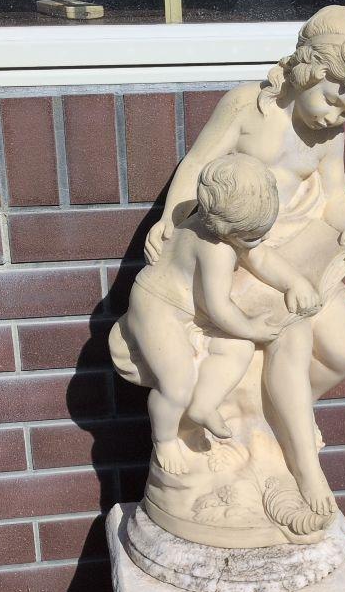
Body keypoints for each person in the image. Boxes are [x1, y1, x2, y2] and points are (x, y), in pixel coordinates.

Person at [143, 5, 345, 514]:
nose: (335, 118)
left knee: (343, 353)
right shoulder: (246, 108)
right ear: (308, 70)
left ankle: (282, 419)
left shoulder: (329, 133)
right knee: (290, 340)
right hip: (243, 256)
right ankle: (303, 463)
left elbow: (335, 194)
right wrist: (168, 220)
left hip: (304, 249)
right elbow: (196, 164)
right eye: (332, 101)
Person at [110, 153, 318, 477]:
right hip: (157, 307)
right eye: (253, 236)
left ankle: (204, 405)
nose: (261, 240)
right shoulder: (217, 250)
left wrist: (295, 282)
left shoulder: (224, 229)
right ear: (224, 228)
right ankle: (164, 439)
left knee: (239, 347)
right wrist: (252, 328)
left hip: (190, 306)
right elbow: (219, 308)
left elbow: (260, 257)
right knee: (176, 383)